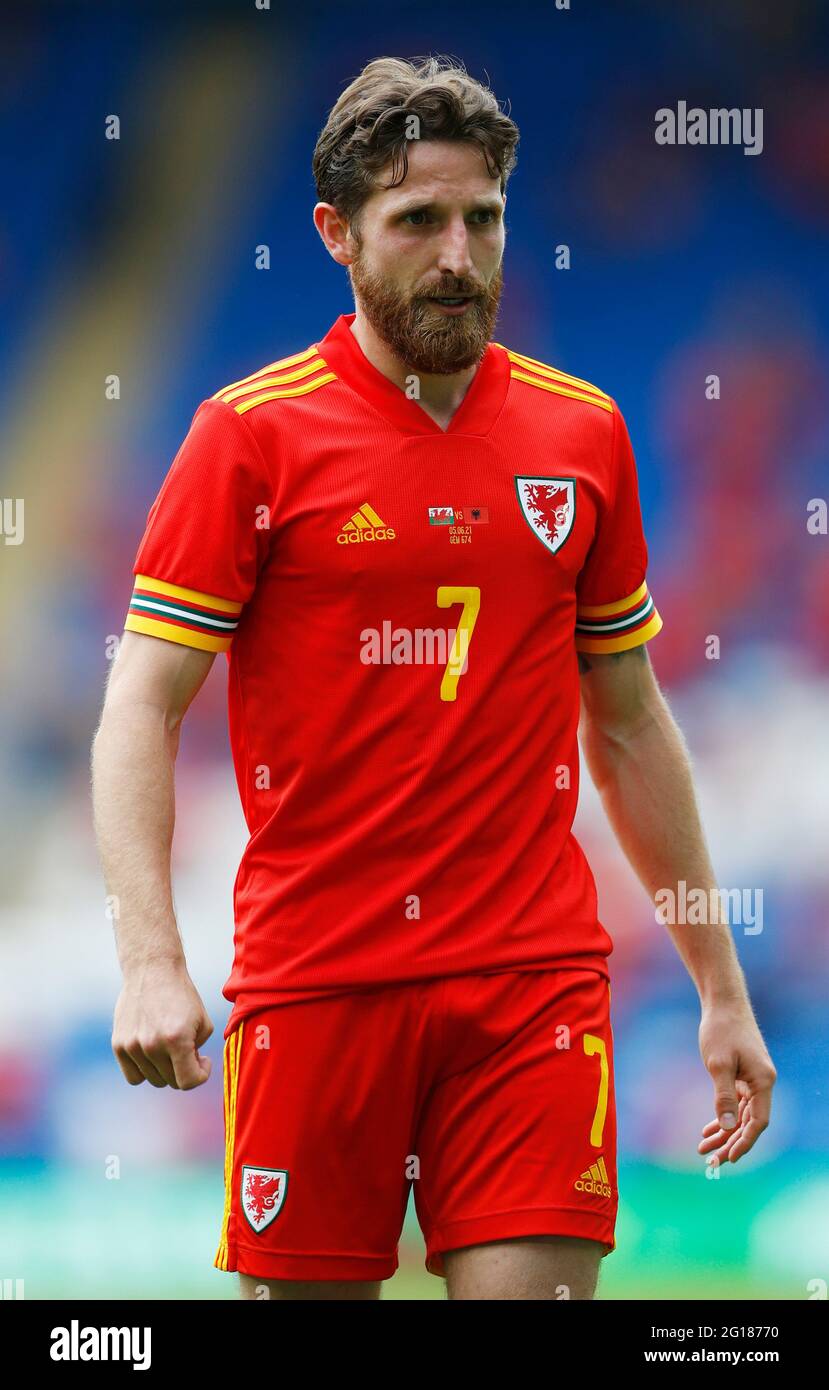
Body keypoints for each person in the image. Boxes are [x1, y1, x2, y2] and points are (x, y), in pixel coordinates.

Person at [91, 55, 776, 1302]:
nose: (459, 255)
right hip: (316, 985)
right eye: (417, 221)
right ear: (337, 235)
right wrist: (149, 958)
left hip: (530, 986)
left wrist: (718, 986)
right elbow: (140, 703)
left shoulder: (584, 436)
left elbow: (628, 725)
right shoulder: (249, 437)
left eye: (484, 218)